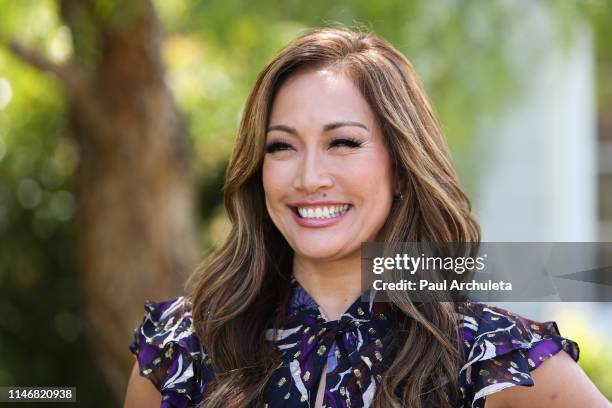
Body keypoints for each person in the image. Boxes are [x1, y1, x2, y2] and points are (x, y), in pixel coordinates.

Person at [124, 27, 610, 408]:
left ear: (401, 168)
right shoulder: (183, 347)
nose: (309, 177)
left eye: (343, 143)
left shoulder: (492, 355)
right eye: (282, 147)